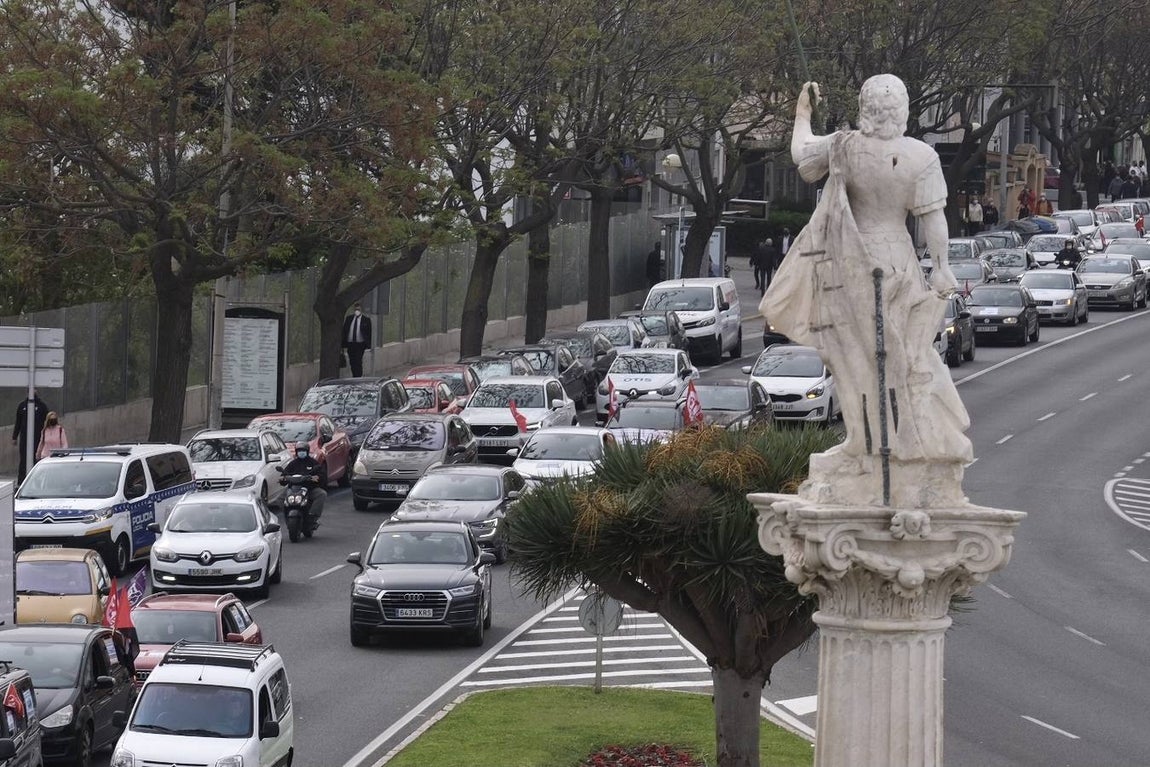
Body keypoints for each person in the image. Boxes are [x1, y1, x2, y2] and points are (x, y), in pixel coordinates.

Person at [762, 76, 971, 495]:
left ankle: (876, 444)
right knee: (900, 357)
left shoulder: (844, 146)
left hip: (851, 263)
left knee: (856, 360)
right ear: (905, 110)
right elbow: (933, 220)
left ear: (863, 107)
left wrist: (803, 112)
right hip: (897, 259)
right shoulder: (921, 156)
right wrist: (942, 267)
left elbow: (802, 154)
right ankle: (872, 446)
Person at [280, 443, 326, 521]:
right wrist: (283, 479)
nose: (301, 452)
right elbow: (284, 474)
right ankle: (287, 514)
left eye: (303, 451)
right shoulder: (293, 463)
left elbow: (321, 474)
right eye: (299, 451)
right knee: (279, 499)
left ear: (307, 452)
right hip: (293, 489)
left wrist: (317, 478)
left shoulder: (313, 463)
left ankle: (313, 516)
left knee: (322, 494)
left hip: (309, 488)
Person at [12, 391, 49, 484]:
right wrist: (14, 437)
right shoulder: (22, 406)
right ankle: (21, 482)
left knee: (37, 459)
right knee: (23, 461)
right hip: (24, 439)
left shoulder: (42, 406)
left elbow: (47, 422)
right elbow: (18, 422)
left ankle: (38, 483)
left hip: (38, 439)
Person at [341, 302, 372, 378]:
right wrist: (343, 343)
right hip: (350, 344)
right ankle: (354, 374)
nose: (356, 310)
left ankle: (358, 376)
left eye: (358, 309)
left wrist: (367, 344)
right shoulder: (349, 319)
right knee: (352, 361)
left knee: (358, 361)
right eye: (355, 309)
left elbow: (369, 333)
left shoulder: (366, 320)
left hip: (360, 344)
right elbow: (345, 331)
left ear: (361, 309)